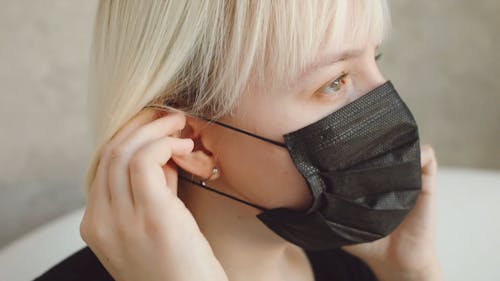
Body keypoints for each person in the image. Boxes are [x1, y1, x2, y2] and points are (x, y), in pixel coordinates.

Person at [34, 0, 444, 280]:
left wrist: (409, 275)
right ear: (192, 141)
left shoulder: (358, 265)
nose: (388, 103)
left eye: (374, 60)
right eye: (335, 81)